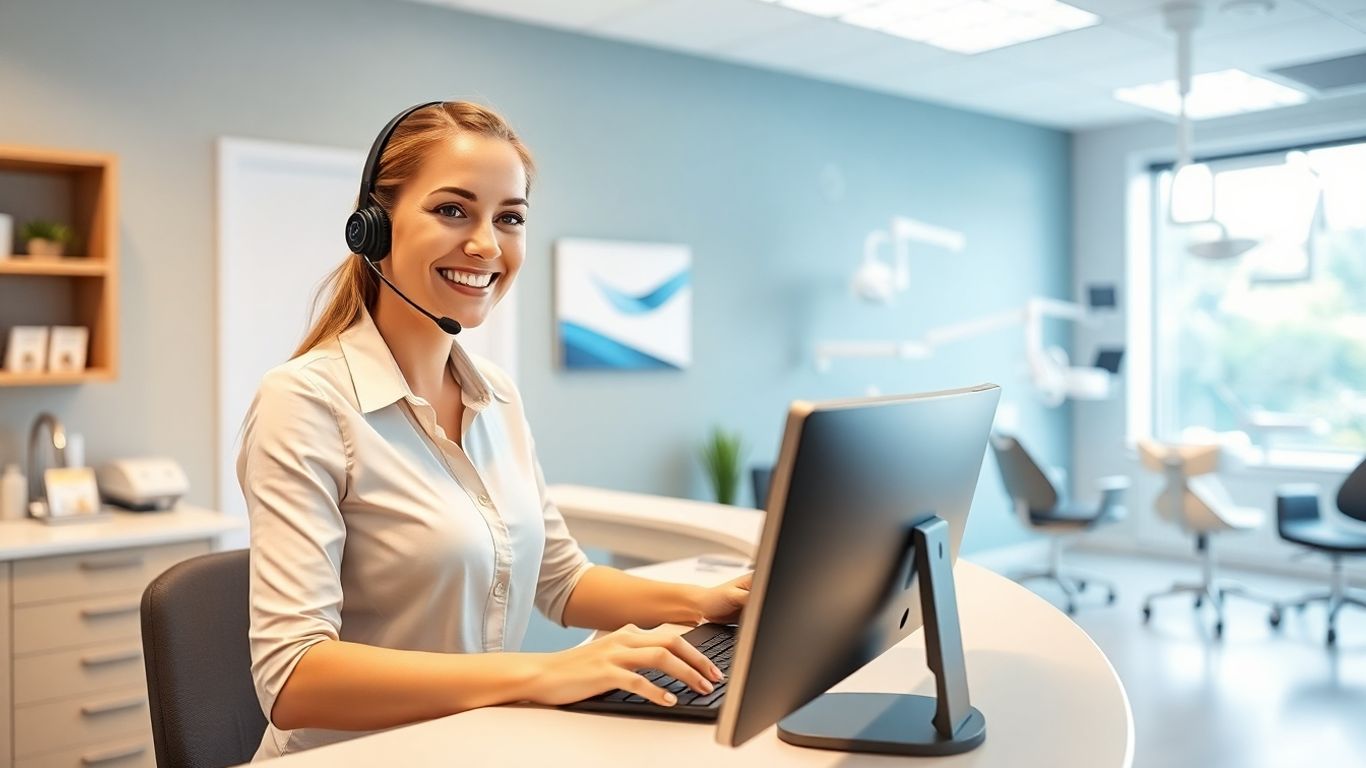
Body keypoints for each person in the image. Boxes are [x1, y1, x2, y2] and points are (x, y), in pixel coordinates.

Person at [238, 101, 751, 760]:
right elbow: (293, 679)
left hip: (474, 746)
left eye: (509, 218)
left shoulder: (496, 393)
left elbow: (563, 584)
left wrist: (707, 604)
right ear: (373, 228)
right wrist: (546, 675)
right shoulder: (305, 401)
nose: (486, 244)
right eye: (453, 210)